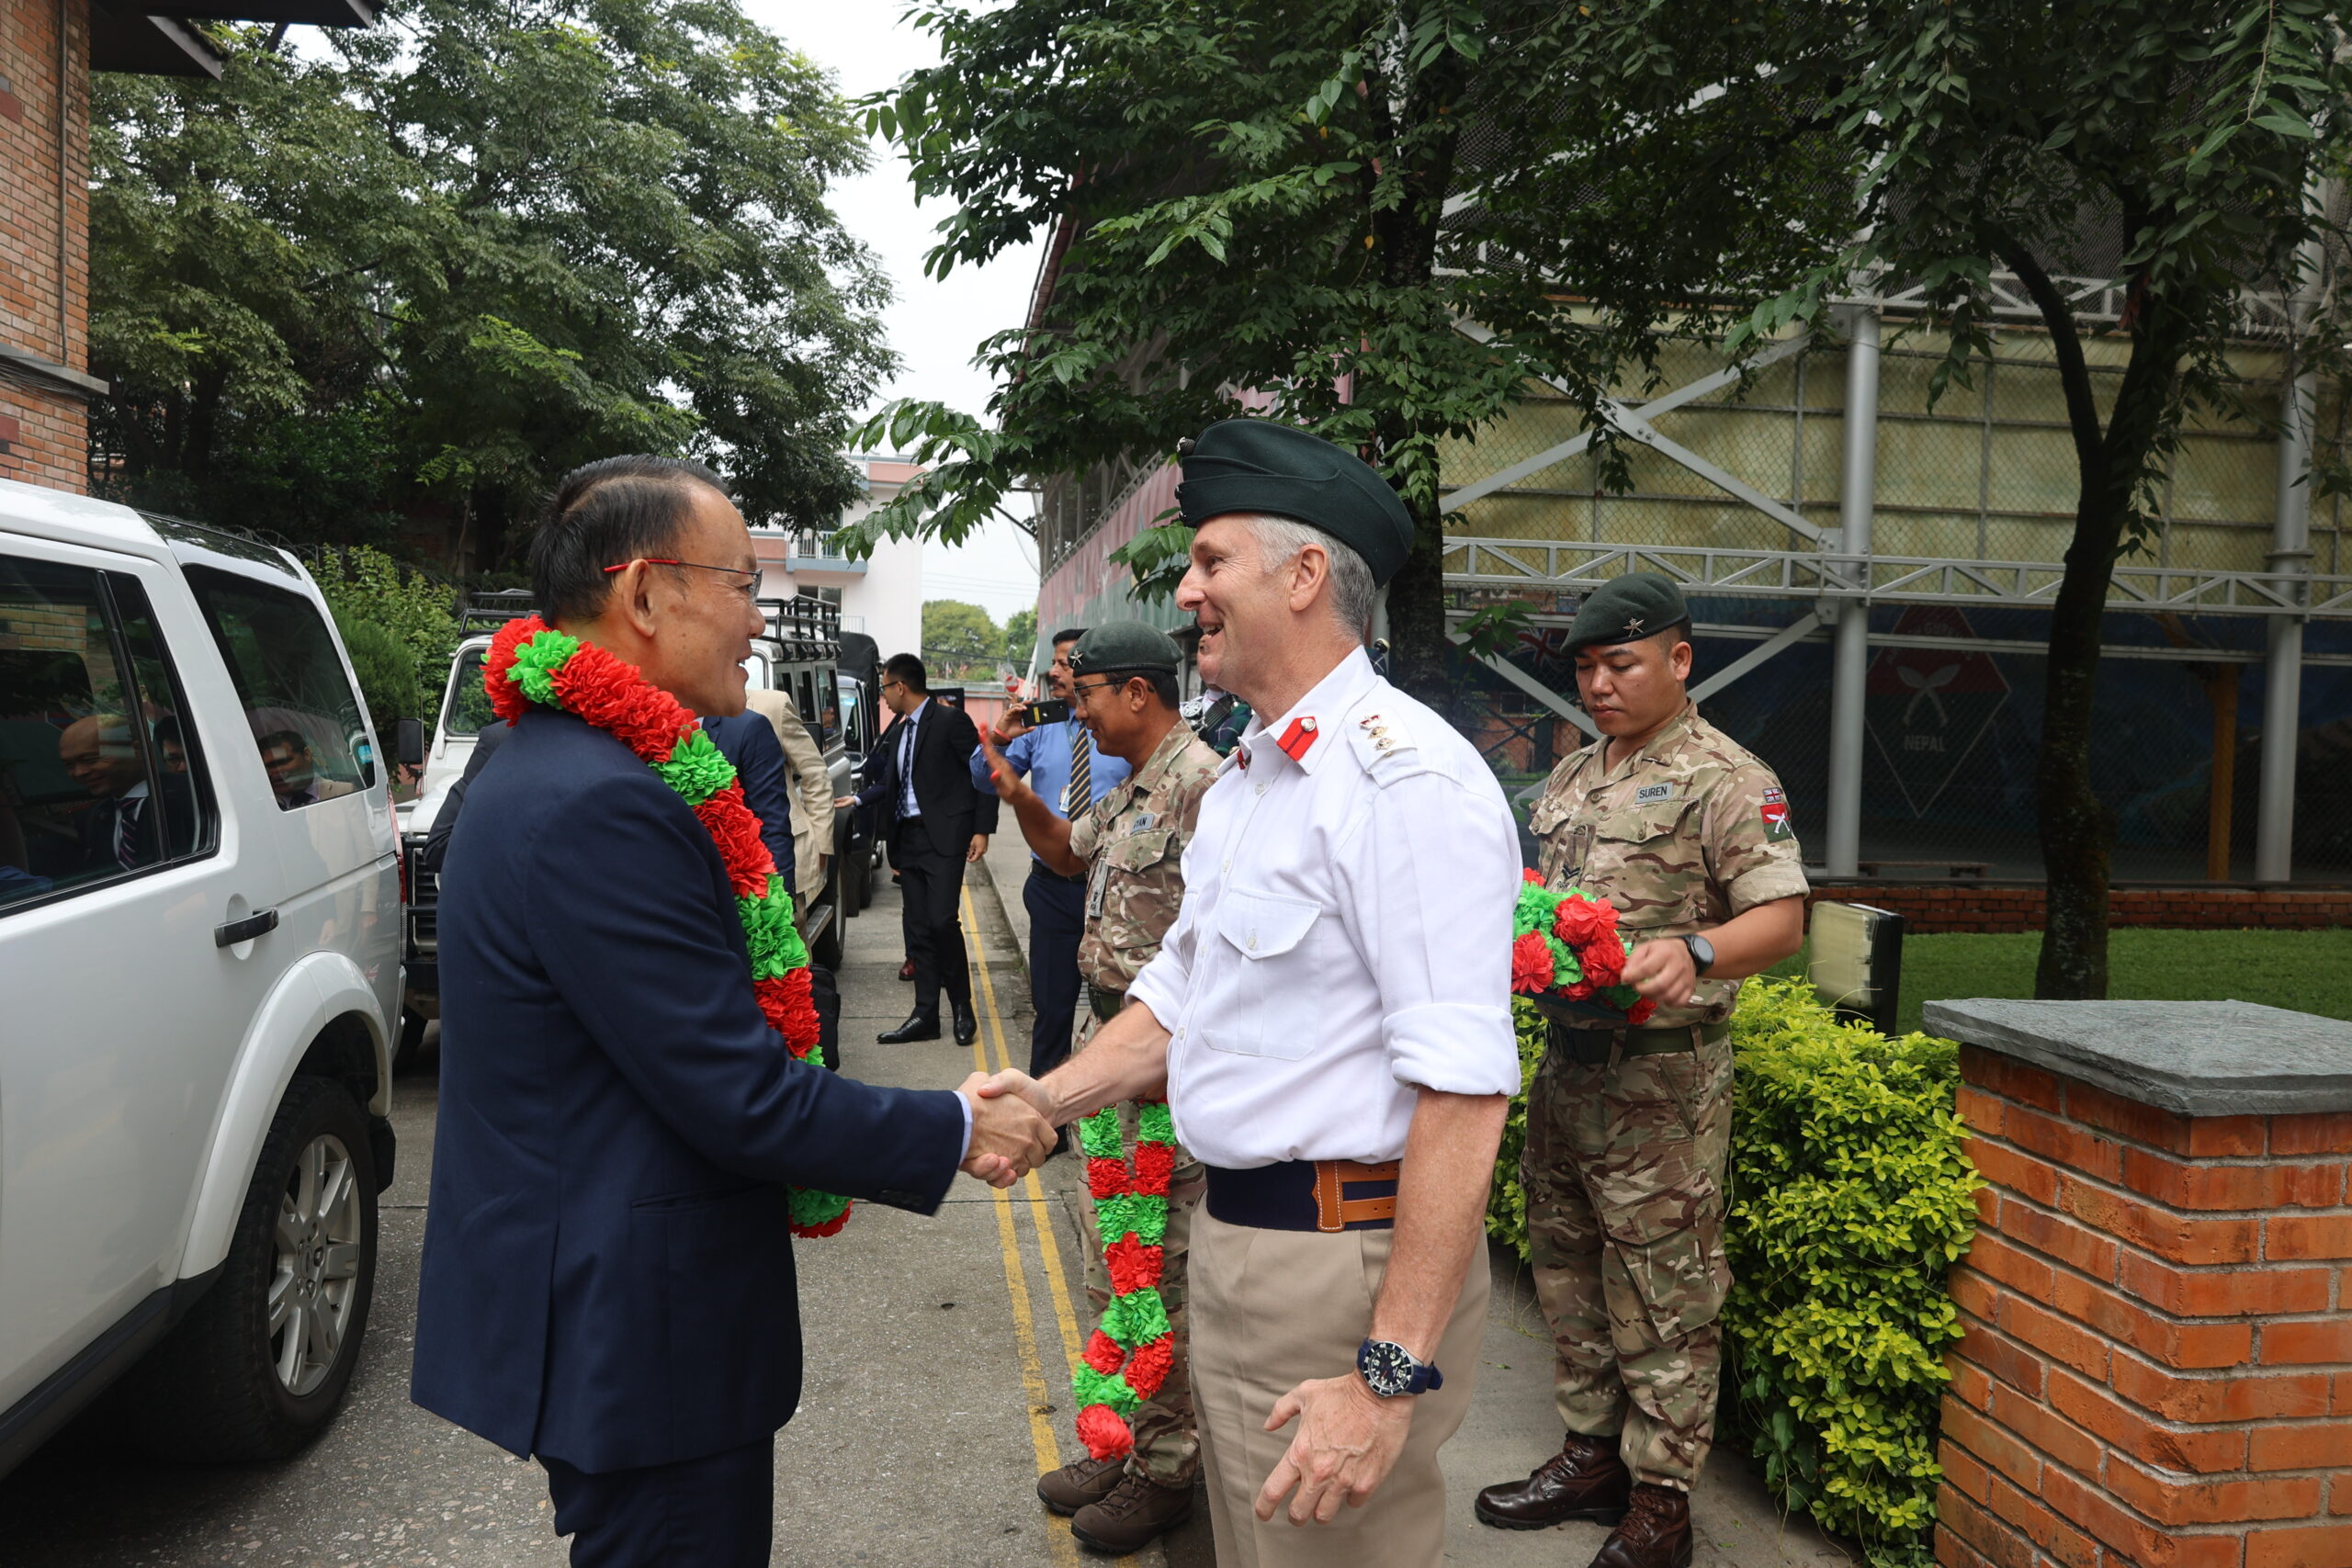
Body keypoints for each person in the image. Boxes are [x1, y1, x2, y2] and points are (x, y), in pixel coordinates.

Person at [411, 454, 1054, 1568]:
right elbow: (736, 1094)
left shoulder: (553, 762)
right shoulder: (602, 803)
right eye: (744, 587)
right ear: (648, 592)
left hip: (620, 1307)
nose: (757, 625)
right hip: (642, 1329)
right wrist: (955, 1127)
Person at [977, 420, 1522, 1568]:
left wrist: (1386, 1376)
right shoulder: (1253, 782)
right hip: (1236, 1244)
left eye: (1212, 561)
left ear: (1305, 574)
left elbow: (1465, 1093)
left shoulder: (1401, 780)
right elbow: (1180, 995)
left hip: (1344, 1270)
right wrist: (1048, 1098)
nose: (1189, 590)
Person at [1474, 573, 1807, 1568]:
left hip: (1662, 1082)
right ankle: (1589, 1457)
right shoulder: (1575, 775)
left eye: (1619, 663)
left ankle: (1662, 1500)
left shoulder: (1726, 778)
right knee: (1566, 1266)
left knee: (1665, 1292)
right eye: (1584, 667)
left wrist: (1698, 953)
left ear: (1678, 660)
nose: (1599, 683)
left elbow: (1782, 919)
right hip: (1569, 1066)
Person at [977, 622, 1219, 1555]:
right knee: (1101, 1265)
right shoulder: (1130, 792)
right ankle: (1118, 1437)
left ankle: (1164, 1467)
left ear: (1136, 693)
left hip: (1163, 1067)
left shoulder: (1207, 790)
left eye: (1084, 694)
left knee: (1153, 1275)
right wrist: (1013, 795)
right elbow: (1066, 856)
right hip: (1103, 1048)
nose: (1073, 709)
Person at [969, 627, 1130, 1080]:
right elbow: (985, 780)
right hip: (1054, 891)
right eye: (1054, 663)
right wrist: (1000, 737)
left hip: (1116, 890)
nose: (1055, 671)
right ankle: (1046, 1112)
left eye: (1066, 663)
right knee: (1053, 1008)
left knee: (1120, 1010)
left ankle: (1113, 1115)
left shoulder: (1122, 727)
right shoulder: (1039, 726)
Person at [836, 655, 996, 1046]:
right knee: (920, 929)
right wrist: (858, 801)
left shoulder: (949, 721)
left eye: (885, 689)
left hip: (943, 837)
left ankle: (962, 1007)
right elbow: (895, 782)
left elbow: (985, 771)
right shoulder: (900, 729)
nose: (884, 697)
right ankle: (925, 1014)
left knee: (943, 922)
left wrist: (982, 829)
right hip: (907, 839)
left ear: (900, 687)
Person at [743, 683, 835, 915]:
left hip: (779, 854)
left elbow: (814, 773)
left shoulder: (773, 705)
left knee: (790, 942)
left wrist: (821, 844)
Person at [700, 708, 796, 896]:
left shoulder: (748, 727)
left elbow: (772, 825)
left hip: (731, 889)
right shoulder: (637, 721)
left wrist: (780, 902)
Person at [256, 728, 354, 808]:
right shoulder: (262, 808)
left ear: (307, 755)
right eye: (269, 766)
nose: (276, 771)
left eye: (283, 762)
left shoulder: (344, 791)